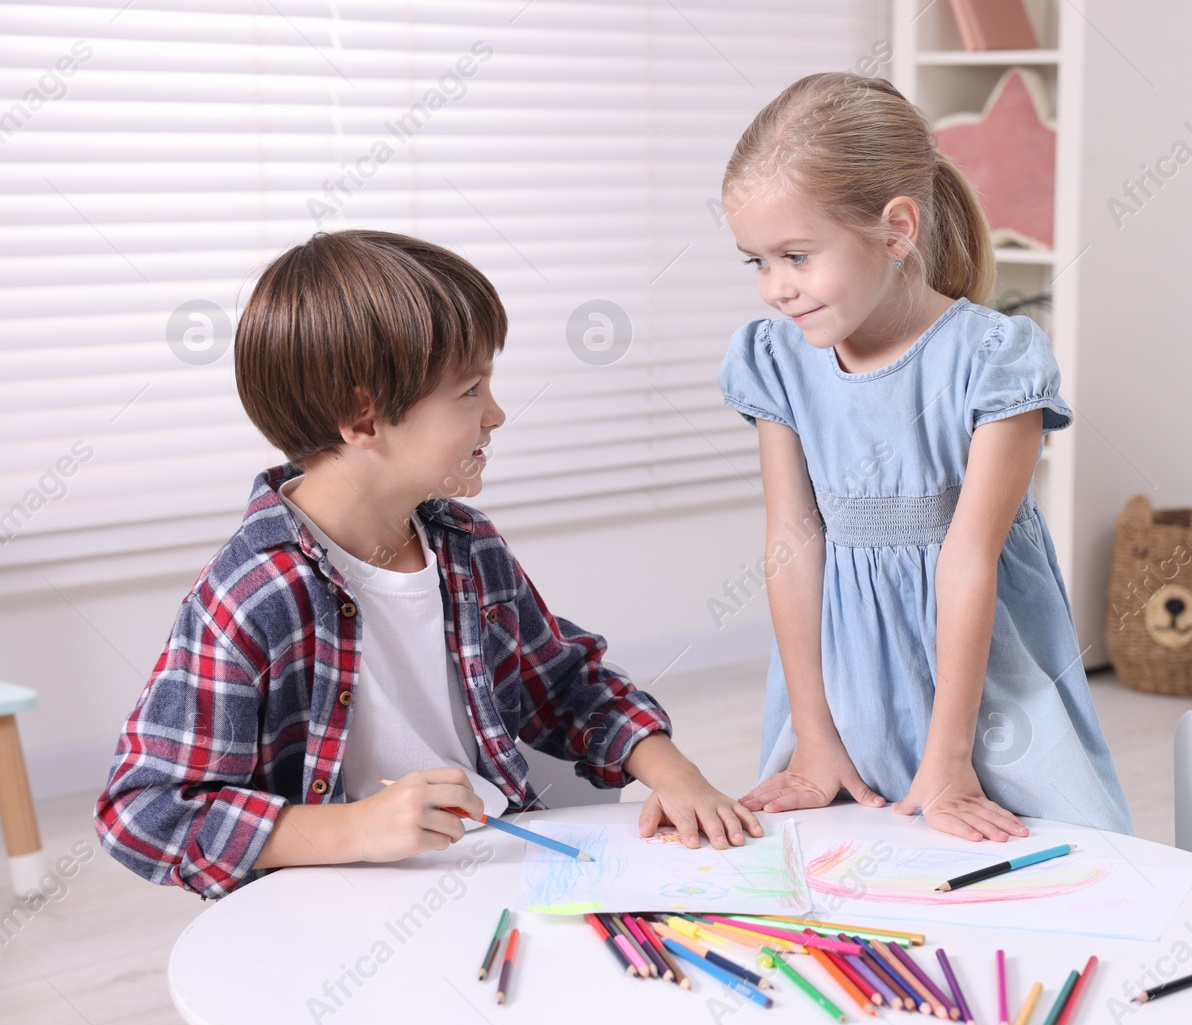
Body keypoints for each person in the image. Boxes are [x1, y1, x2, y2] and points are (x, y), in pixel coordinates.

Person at [96, 230, 759, 898]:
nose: (496, 414)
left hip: (488, 872)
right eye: (470, 390)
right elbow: (143, 811)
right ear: (362, 418)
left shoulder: (465, 546)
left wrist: (679, 777)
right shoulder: (253, 594)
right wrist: (354, 829)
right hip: (328, 905)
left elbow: (563, 686)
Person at [718, 73, 1131, 842]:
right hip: (841, 686)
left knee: (1072, 855)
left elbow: (969, 562)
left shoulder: (995, 358)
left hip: (984, 686)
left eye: (797, 256)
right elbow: (791, 543)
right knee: (842, 863)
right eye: (757, 262)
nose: (776, 287)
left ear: (897, 228)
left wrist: (948, 757)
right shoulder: (775, 360)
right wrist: (814, 733)